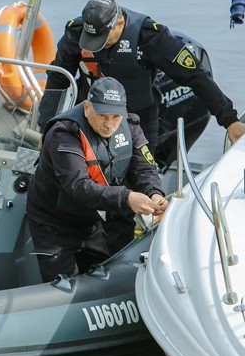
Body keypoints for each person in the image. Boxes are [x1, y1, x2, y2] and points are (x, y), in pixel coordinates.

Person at [37, 0, 245, 155]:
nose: (97, 45)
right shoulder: (77, 31)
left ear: (119, 24)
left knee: (138, 176)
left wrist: (229, 120)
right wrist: (45, 127)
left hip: (137, 120)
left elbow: (195, 76)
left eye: (103, 38)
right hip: (90, 115)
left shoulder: (149, 36)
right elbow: (59, 79)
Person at [26, 77, 169, 282]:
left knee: (102, 269)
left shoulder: (130, 126)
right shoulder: (65, 134)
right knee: (62, 282)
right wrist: (127, 198)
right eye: (102, 116)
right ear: (86, 107)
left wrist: (155, 193)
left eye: (115, 117)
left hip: (92, 217)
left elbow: (144, 169)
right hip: (54, 220)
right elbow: (78, 186)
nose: (109, 125)